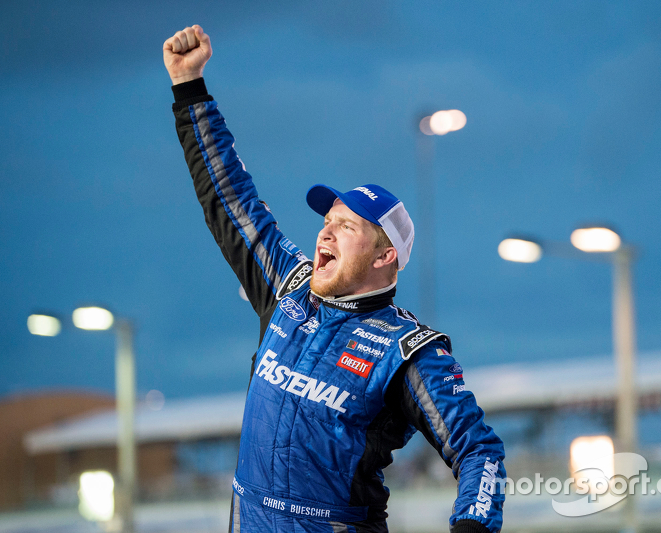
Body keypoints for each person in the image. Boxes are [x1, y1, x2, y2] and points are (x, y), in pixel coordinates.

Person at [163, 24, 506, 533]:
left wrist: (472, 528)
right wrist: (189, 88)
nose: (326, 233)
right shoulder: (288, 287)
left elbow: (480, 451)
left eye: (346, 227)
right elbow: (230, 198)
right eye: (327, 221)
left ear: (385, 256)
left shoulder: (406, 350)